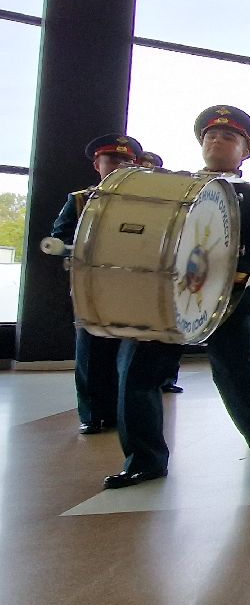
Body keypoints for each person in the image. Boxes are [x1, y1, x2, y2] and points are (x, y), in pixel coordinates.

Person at [101, 106, 250, 488]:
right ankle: (144, 460)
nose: (217, 141)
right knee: (137, 374)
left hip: (226, 300)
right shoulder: (175, 187)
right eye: (210, 135)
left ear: (244, 151)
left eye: (228, 138)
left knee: (243, 380)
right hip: (164, 298)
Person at [52, 133, 140, 434]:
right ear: (97, 164)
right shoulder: (79, 201)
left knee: (128, 351)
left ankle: (120, 413)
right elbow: (61, 237)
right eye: (112, 160)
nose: (120, 166)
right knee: (90, 351)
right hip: (92, 284)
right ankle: (92, 415)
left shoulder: (145, 203)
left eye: (127, 161)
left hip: (131, 285)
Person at [135, 150, 186, 394]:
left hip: (166, 279)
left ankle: (168, 378)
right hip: (131, 280)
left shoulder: (170, 204)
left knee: (169, 336)